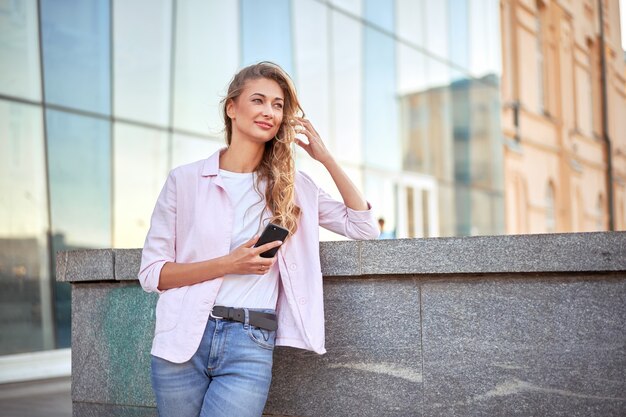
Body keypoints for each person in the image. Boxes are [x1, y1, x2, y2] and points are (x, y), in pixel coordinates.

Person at [138, 61, 379, 417]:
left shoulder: (291, 188)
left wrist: (325, 157)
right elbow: (153, 274)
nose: (269, 111)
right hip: (182, 338)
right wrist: (229, 264)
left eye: (278, 105)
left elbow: (362, 227)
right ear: (232, 108)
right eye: (259, 100)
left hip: (251, 341)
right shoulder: (185, 180)